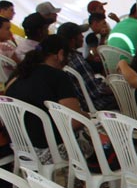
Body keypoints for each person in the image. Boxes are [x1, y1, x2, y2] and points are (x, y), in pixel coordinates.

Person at [5, 35, 84, 163]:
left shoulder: (16, 76)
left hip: (20, 150)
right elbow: (74, 122)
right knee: (97, 138)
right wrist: (87, 116)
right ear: (60, 54)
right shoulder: (58, 76)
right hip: (50, 151)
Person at [58, 22, 118, 112]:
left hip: (84, 103)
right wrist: (117, 87)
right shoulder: (76, 60)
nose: (82, 37)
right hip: (98, 104)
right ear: (73, 40)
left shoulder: (63, 59)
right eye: (80, 34)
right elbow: (96, 91)